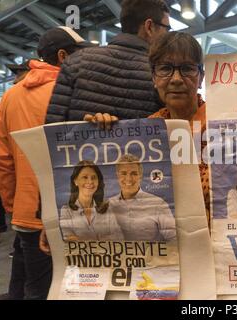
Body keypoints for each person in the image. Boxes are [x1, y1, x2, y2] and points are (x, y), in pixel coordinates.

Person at [0, 26, 92, 300]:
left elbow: (3, 161)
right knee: (54, 288)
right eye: (78, 56)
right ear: (63, 56)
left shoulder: (10, 96)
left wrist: (14, 206)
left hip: (26, 209)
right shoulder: (73, 92)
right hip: (67, 209)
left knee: (28, 281)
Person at [85, 31, 212, 226]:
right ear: (154, 77)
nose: (176, 78)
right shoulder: (145, 132)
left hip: (217, 248)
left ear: (201, 76)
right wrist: (103, 134)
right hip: (164, 245)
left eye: (187, 68)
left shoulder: (222, 125)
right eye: (165, 69)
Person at [45, 0, 170, 123]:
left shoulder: (75, 62)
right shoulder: (161, 72)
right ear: (149, 27)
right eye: (167, 29)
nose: (167, 35)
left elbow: (52, 130)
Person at [109, 154, 176, 241]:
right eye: (123, 173)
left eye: (134, 173)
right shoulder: (109, 205)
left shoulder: (157, 204)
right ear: (117, 176)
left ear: (140, 176)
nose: (128, 178)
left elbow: (174, 239)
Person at [60, 161, 123, 241]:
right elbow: (68, 239)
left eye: (94, 177)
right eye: (85, 177)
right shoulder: (66, 210)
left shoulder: (107, 208)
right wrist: (102, 239)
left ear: (98, 182)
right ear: (75, 181)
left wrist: (84, 239)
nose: (90, 182)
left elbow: (119, 237)